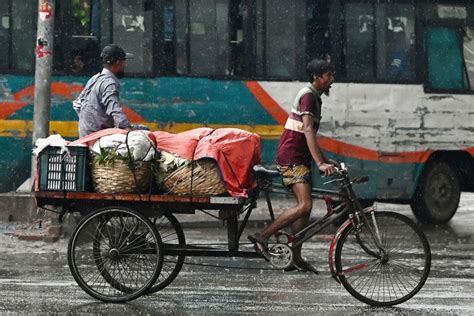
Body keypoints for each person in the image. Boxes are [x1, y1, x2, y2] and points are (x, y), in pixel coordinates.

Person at [249, 59, 337, 273]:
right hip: (291, 157)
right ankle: (263, 237)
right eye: (328, 75)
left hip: (299, 157)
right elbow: (307, 130)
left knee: (303, 211)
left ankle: (295, 257)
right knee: (305, 205)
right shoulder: (308, 96)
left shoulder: (314, 96)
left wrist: (325, 160)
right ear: (317, 78)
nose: (332, 80)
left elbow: (311, 135)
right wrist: (320, 163)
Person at [73, 44, 134, 137]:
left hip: (85, 134)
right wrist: (127, 128)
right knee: (142, 130)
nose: (125, 65)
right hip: (98, 135)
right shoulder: (109, 83)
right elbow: (114, 109)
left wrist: (88, 124)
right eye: (124, 62)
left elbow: (77, 104)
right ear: (118, 63)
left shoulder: (95, 78)